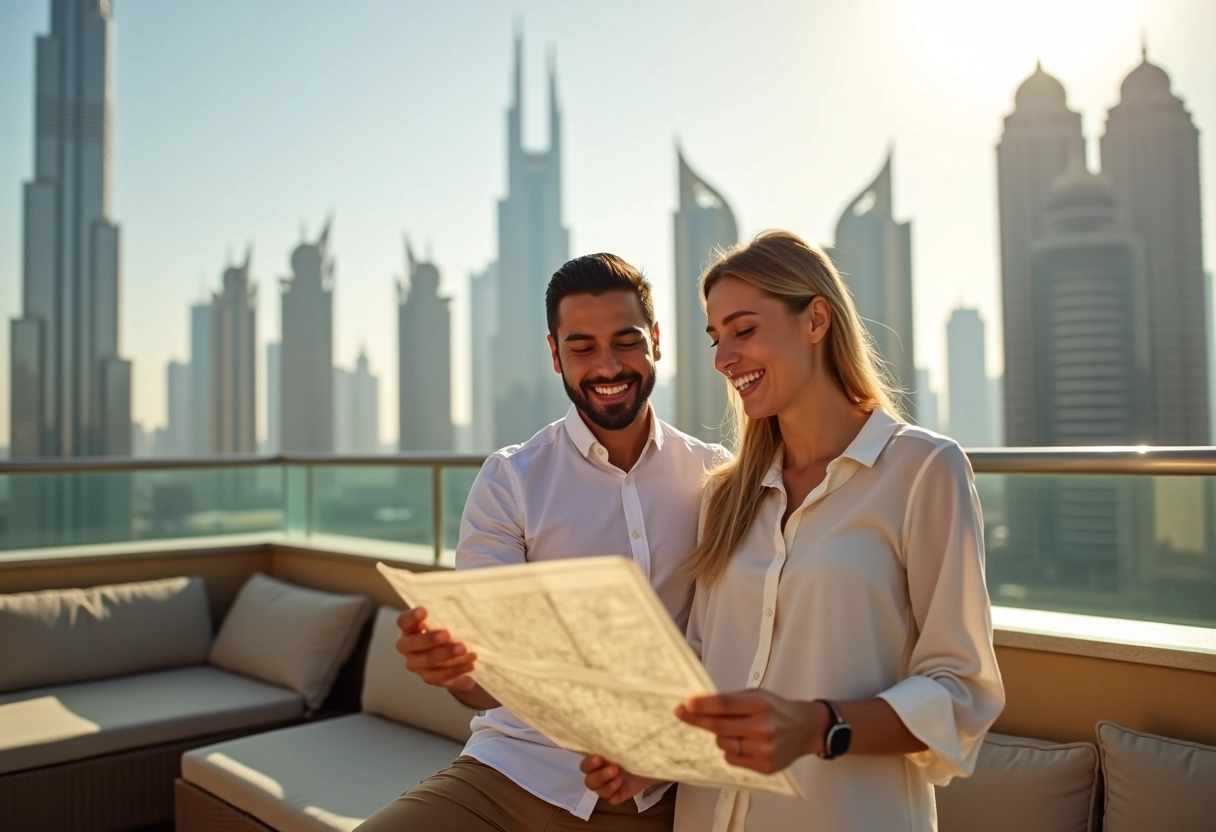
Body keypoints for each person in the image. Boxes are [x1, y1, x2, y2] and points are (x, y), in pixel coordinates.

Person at [582, 231, 1004, 831]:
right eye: (715, 337)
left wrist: (816, 725)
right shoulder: (725, 496)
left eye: (743, 329)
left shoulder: (923, 471)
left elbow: (960, 691)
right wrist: (651, 759)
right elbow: (704, 669)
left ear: (816, 320)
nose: (723, 357)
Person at [355, 253, 725, 832]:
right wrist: (456, 670)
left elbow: (737, 646)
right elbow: (487, 678)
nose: (607, 366)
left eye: (625, 342)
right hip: (514, 772)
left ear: (656, 340)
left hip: (660, 788)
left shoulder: (715, 478)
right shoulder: (510, 480)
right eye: (582, 348)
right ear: (555, 355)